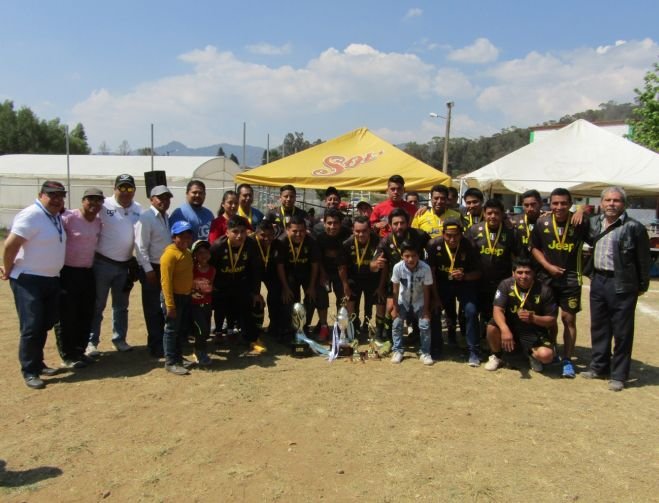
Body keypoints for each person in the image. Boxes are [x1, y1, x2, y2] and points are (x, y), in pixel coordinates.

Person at [582, 187, 651, 391]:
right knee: (599, 326)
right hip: (598, 280)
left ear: (624, 204)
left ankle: (619, 374)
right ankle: (599, 366)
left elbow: (643, 259)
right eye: (608, 200)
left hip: (622, 283)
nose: (612, 204)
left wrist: (641, 286)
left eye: (617, 201)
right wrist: (579, 211)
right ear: (601, 203)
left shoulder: (634, 228)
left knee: (622, 331)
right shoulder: (595, 223)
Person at [1, 181, 68, 389]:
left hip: (50, 278)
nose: (57, 199)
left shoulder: (55, 215)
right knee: (31, 326)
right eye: (52, 195)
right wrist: (7, 267)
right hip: (29, 278)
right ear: (41, 195)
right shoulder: (31, 215)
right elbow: (11, 244)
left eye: (60, 195)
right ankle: (29, 370)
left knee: (45, 322)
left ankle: (38, 363)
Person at [531, 188, 589, 378]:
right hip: (546, 278)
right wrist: (547, 266)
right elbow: (534, 248)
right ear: (550, 204)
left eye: (564, 203)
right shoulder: (542, 221)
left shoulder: (580, 221)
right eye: (555, 203)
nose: (559, 207)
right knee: (549, 319)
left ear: (570, 204)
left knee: (568, 319)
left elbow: (599, 226)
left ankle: (567, 360)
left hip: (571, 279)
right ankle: (552, 348)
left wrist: (584, 210)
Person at [87, 174, 142, 356]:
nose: (125, 192)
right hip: (102, 263)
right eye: (122, 188)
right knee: (97, 304)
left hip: (125, 265)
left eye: (129, 188)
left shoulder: (138, 209)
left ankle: (119, 339)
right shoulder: (104, 205)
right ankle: (91, 342)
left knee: (121, 306)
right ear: (115, 188)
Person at [54, 187, 104, 368]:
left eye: (98, 200)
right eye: (90, 199)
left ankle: (80, 351)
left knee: (86, 313)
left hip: (87, 272)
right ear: (83, 200)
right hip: (67, 272)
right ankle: (67, 355)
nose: (94, 203)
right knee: (67, 315)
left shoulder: (98, 222)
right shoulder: (68, 218)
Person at [484, 258, 557, 372]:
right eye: (519, 272)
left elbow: (552, 319)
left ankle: (531, 355)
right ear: (513, 273)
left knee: (546, 356)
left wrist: (533, 318)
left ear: (534, 273)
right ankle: (497, 356)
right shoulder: (505, 285)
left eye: (527, 272)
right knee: (491, 327)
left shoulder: (544, 290)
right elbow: (497, 309)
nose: (523, 276)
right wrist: (504, 329)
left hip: (533, 329)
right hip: (511, 326)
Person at [426, 218, 482, 365]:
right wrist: (435, 298)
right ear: (443, 234)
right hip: (442, 283)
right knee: (435, 310)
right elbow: (430, 274)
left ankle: (473, 351)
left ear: (461, 234)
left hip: (464, 283)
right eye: (448, 235)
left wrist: (465, 276)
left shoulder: (469, 245)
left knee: (471, 311)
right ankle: (436, 347)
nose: (452, 239)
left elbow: (479, 272)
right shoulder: (433, 245)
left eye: (456, 235)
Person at [371, 208, 430, 342]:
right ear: (390, 225)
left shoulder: (419, 235)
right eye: (395, 223)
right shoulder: (386, 241)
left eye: (402, 223)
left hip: (417, 282)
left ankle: (416, 333)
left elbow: (434, 248)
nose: (399, 227)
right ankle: (389, 338)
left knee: (418, 307)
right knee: (392, 308)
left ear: (407, 223)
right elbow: (373, 264)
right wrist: (376, 264)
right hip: (396, 283)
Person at [209, 215, 265, 353]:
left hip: (241, 283)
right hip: (221, 285)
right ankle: (218, 333)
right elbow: (210, 268)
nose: (239, 235)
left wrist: (256, 292)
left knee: (249, 303)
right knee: (220, 305)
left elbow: (255, 270)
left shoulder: (251, 245)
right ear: (227, 232)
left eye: (242, 231)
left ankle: (250, 337)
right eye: (235, 232)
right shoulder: (217, 247)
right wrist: (211, 287)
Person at [134, 185, 173, 358]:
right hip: (151, 268)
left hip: (164, 268)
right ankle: (155, 345)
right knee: (153, 308)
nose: (164, 201)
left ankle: (162, 343)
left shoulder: (166, 217)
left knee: (164, 307)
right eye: (160, 198)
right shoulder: (146, 218)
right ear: (151, 199)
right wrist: (148, 270)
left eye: (167, 198)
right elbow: (140, 247)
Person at [467, 198, 515, 335]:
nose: (493, 216)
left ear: (502, 214)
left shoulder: (510, 233)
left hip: (501, 281)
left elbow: (516, 257)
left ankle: (497, 341)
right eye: (489, 213)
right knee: (477, 311)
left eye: (496, 213)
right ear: (484, 213)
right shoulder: (474, 231)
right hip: (479, 280)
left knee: (498, 312)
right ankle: (478, 339)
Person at [275, 215, 319, 340]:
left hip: (306, 273)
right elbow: (280, 266)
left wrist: (311, 287)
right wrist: (285, 287)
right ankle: (288, 329)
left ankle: (304, 327)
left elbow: (315, 265)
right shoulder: (281, 242)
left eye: (301, 231)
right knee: (288, 299)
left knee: (312, 297)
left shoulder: (311, 241)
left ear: (306, 230)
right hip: (289, 275)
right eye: (294, 231)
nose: (298, 234)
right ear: (287, 230)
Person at [339, 216, 384, 337]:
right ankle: (354, 329)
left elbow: (384, 266)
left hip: (373, 277)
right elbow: (342, 267)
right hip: (354, 277)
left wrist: (381, 286)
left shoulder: (378, 241)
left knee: (374, 302)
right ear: (353, 230)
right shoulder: (346, 244)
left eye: (364, 231)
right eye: (357, 231)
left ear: (370, 229)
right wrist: (345, 285)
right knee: (352, 302)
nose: (361, 234)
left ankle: (372, 327)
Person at [390, 241, 434, 365]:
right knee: (397, 323)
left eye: (414, 256)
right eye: (407, 256)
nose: (411, 259)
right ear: (402, 256)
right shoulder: (397, 268)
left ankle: (425, 352)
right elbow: (395, 289)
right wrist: (395, 308)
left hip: (419, 301)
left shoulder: (425, 268)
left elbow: (426, 290)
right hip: (402, 301)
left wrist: (426, 310)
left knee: (425, 324)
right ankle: (398, 350)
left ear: (418, 255)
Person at [160, 221, 195, 375]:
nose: (186, 239)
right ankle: (170, 361)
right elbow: (165, 282)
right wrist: (170, 305)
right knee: (171, 330)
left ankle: (179, 357)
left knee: (180, 330)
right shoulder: (169, 255)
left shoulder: (187, 252)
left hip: (185, 296)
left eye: (188, 235)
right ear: (174, 237)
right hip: (173, 298)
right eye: (182, 236)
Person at [311, 208, 351, 341]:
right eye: (329, 223)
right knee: (321, 297)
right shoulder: (319, 236)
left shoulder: (347, 235)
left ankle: (341, 327)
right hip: (325, 271)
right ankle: (323, 327)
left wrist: (345, 283)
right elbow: (318, 258)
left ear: (341, 223)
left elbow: (345, 262)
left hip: (342, 271)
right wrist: (322, 275)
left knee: (342, 298)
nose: (332, 226)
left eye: (335, 223)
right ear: (324, 223)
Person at [251, 219, 282, 338]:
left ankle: (274, 325)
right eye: (263, 235)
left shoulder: (278, 244)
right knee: (255, 299)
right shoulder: (250, 243)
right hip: (253, 273)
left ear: (274, 234)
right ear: (256, 233)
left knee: (275, 295)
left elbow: (280, 265)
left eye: (270, 235)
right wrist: (255, 292)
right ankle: (254, 328)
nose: (267, 238)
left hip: (270, 271)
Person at [190, 240, 216, 366]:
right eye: (200, 253)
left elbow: (210, 284)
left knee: (205, 330)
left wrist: (208, 290)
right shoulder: (192, 269)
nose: (203, 255)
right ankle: (200, 352)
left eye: (206, 252)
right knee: (202, 330)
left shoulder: (212, 270)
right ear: (194, 255)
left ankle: (199, 348)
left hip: (207, 303)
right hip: (194, 305)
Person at [511, 189, 542, 260]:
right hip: (521, 266)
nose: (530, 208)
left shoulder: (546, 220)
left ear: (540, 203)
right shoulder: (514, 221)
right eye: (526, 205)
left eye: (533, 204)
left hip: (541, 266)